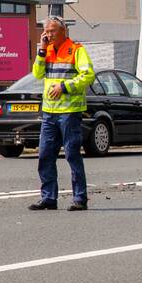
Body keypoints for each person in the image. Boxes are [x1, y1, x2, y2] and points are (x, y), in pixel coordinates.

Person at [29, 17, 95, 211]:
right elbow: (37, 74)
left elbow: (88, 75)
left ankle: (79, 199)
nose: (48, 34)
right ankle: (49, 198)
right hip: (49, 113)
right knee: (45, 155)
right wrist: (41, 51)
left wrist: (64, 87)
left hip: (69, 112)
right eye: (46, 31)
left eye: (52, 31)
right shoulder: (46, 50)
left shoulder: (76, 49)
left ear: (63, 31)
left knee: (72, 155)